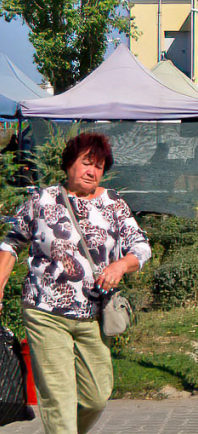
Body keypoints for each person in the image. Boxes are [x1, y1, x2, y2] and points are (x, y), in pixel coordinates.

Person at [0, 132, 151, 433]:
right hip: (45, 311)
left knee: (96, 396)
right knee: (59, 399)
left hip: (94, 315)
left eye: (99, 166)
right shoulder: (42, 201)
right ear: (69, 164)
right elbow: (10, 242)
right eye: (85, 163)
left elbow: (142, 247)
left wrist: (121, 265)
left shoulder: (114, 204)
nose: (91, 171)